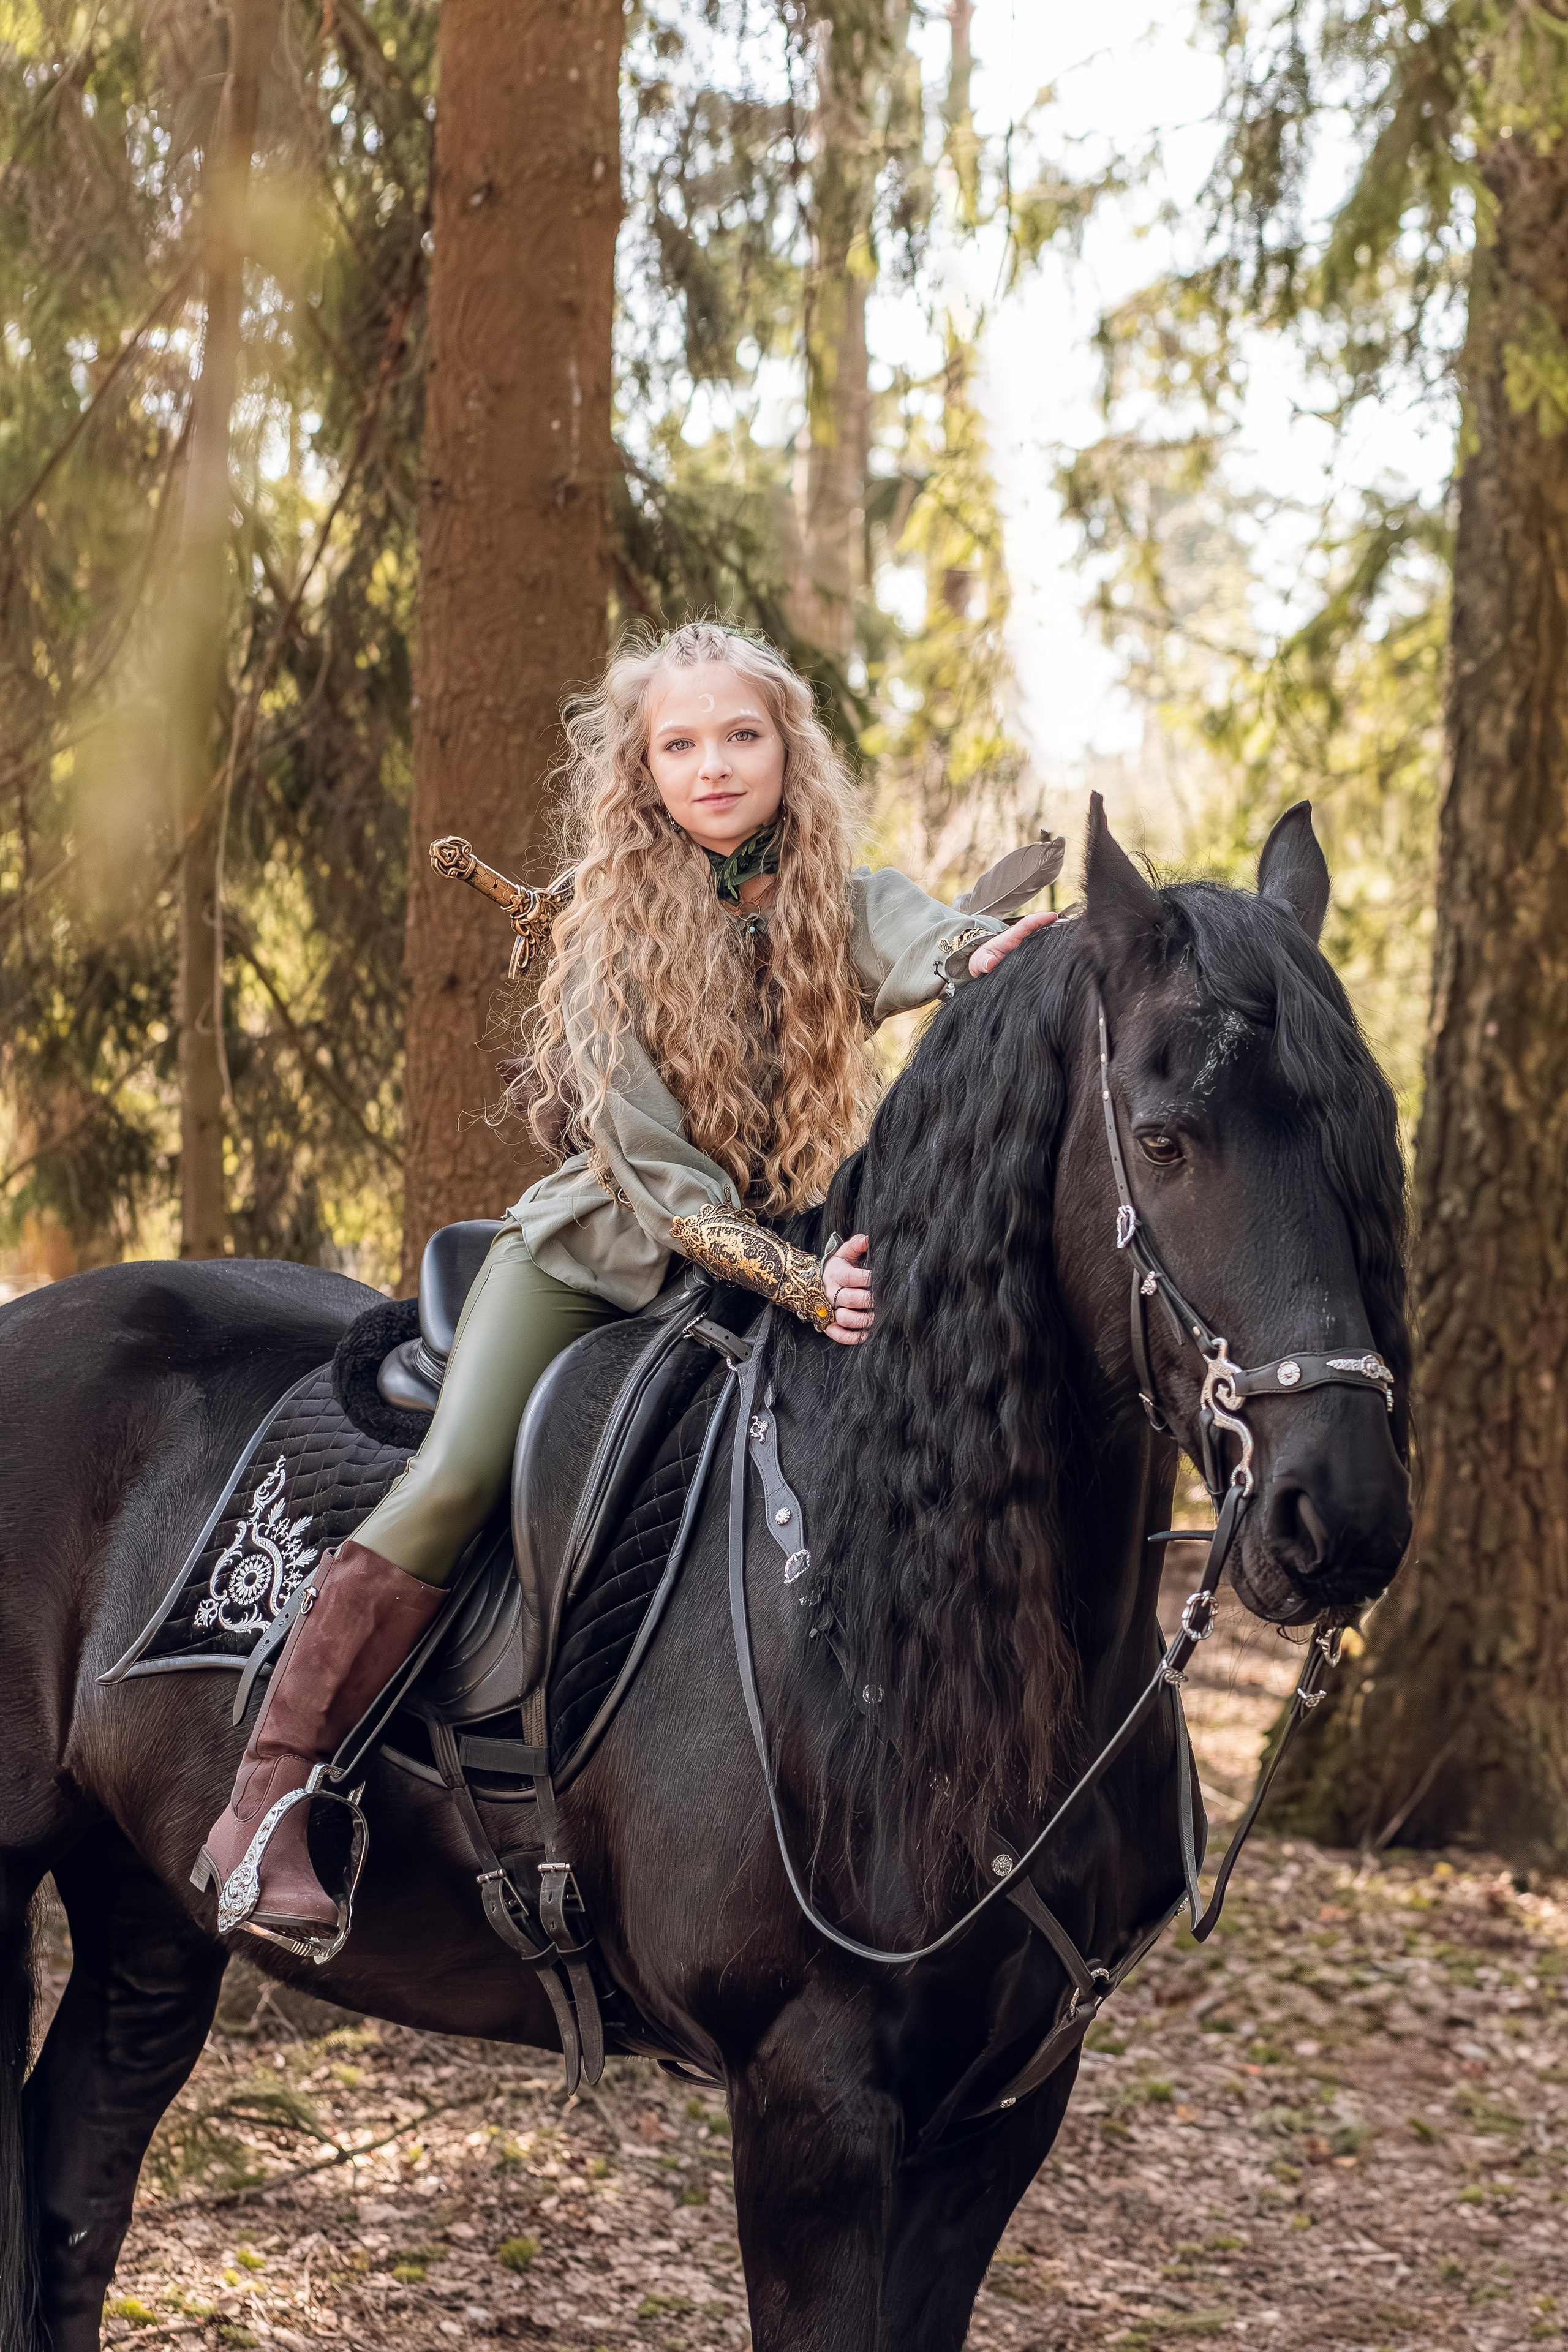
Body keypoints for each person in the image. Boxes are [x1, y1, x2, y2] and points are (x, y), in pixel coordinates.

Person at [197, 621, 1056, 1944]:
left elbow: (927, 940)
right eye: (681, 744)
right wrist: (799, 1281)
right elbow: (659, 1178)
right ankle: (267, 1800)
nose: (714, 766)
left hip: (774, 1259)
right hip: (596, 1261)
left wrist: (996, 955)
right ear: (641, 770)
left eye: (741, 736)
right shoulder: (605, 934)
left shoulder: (831, 897)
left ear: (787, 751)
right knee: (456, 1477)